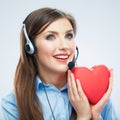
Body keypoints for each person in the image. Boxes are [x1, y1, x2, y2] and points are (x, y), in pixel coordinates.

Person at [1, 7, 118, 120]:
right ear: (30, 47)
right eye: (50, 37)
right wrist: (83, 117)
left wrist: (95, 117)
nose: (64, 46)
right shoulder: (12, 105)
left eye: (69, 36)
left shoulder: (95, 92)